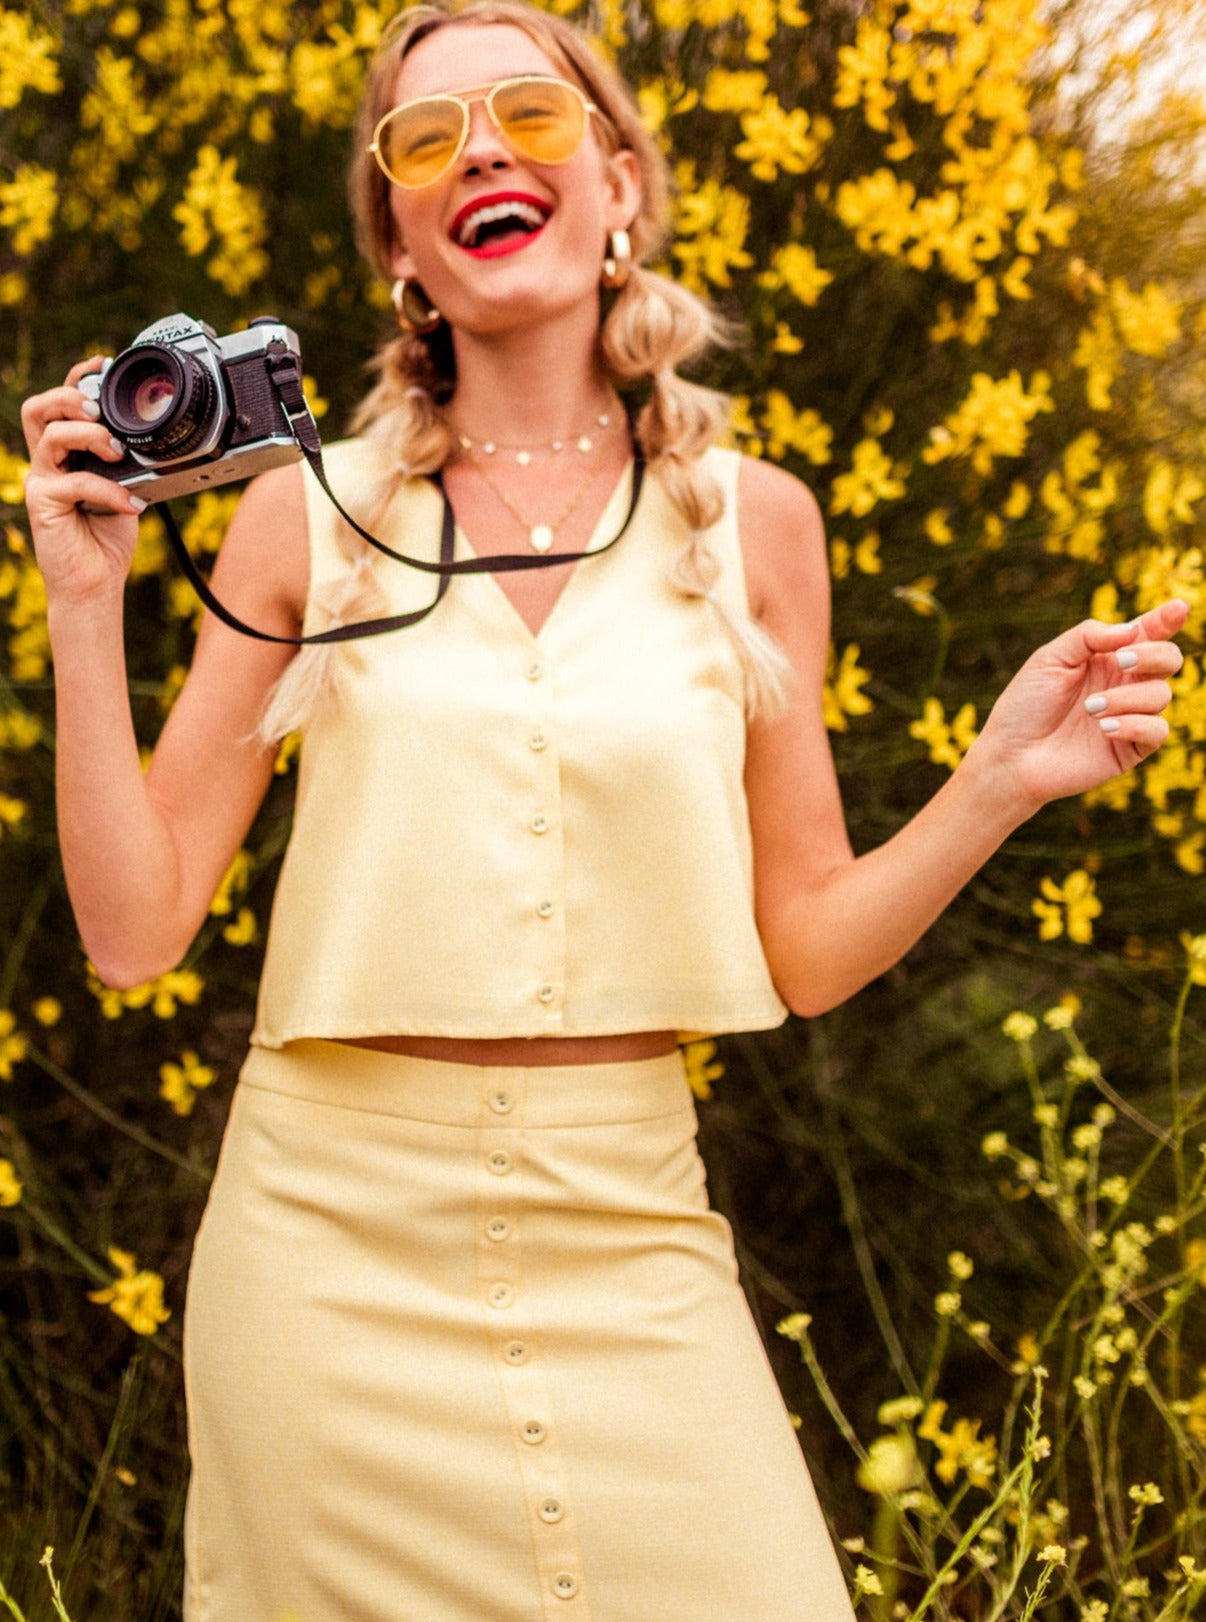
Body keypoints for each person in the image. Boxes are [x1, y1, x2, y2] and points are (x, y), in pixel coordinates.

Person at [20, 3, 1187, 1618]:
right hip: (322, 1256)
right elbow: (134, 932)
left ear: (620, 183)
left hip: (635, 1235)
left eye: (530, 114)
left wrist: (995, 779)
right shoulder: (303, 516)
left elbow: (807, 949)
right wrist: (85, 604)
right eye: (426, 138)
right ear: (399, 246)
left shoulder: (755, 524)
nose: (481, 151)